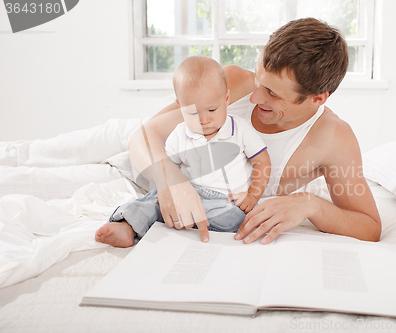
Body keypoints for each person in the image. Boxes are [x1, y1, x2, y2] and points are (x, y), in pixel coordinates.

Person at [127, 17, 381, 245]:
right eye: (259, 80)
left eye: (272, 93)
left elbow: (369, 227)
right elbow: (144, 135)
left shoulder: (333, 137)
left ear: (317, 99)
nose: (255, 96)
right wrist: (172, 183)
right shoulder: (234, 81)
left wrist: (311, 204)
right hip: (167, 155)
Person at [95, 56, 271, 247]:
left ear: (226, 99)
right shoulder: (180, 133)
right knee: (152, 201)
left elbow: (262, 162)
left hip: (226, 201)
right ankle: (127, 225)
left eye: (212, 110)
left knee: (235, 217)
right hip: (189, 193)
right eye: (194, 113)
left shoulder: (241, 129)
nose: (204, 120)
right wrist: (169, 192)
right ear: (180, 106)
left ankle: (189, 227)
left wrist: (253, 195)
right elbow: (169, 169)